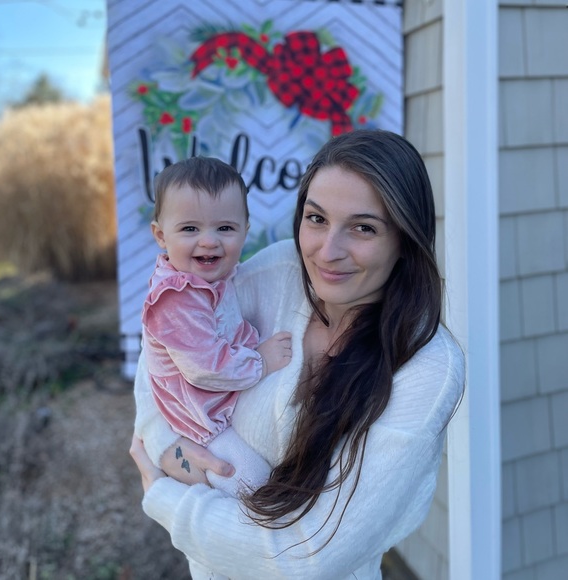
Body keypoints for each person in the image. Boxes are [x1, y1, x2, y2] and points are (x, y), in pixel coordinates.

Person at [131, 129, 465, 580]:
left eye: (363, 228)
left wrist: (164, 494)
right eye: (316, 218)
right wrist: (166, 446)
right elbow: (164, 355)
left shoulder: (426, 366)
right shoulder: (279, 271)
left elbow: (307, 556)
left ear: (404, 239)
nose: (328, 251)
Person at [139, 156, 292, 499]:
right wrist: (261, 361)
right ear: (161, 235)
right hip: (201, 419)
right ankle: (222, 509)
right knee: (249, 479)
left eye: (224, 228)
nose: (209, 241)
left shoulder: (215, 278)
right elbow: (205, 368)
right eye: (190, 229)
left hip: (225, 397)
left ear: (245, 231)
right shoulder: (175, 298)